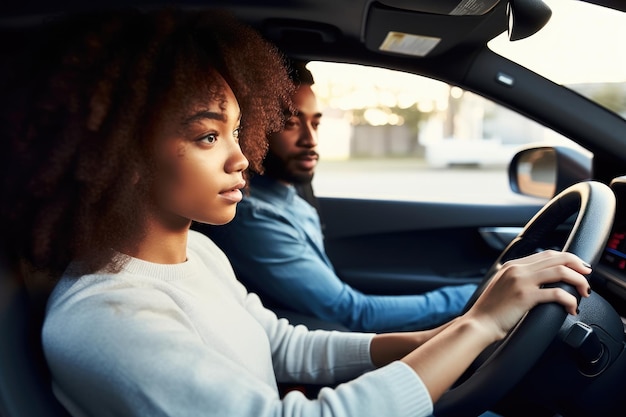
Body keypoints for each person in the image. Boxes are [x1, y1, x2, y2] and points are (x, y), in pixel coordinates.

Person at [0, 8, 592, 417]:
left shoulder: (196, 251)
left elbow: (286, 347)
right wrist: (476, 326)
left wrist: (445, 338)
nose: (242, 159)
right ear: (120, 153)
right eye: (209, 137)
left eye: (238, 131)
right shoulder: (107, 317)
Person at [206, 61, 478, 332]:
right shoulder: (253, 216)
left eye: (315, 123)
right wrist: (472, 296)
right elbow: (353, 313)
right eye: (291, 124)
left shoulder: (287, 197)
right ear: (252, 131)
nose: (310, 139)